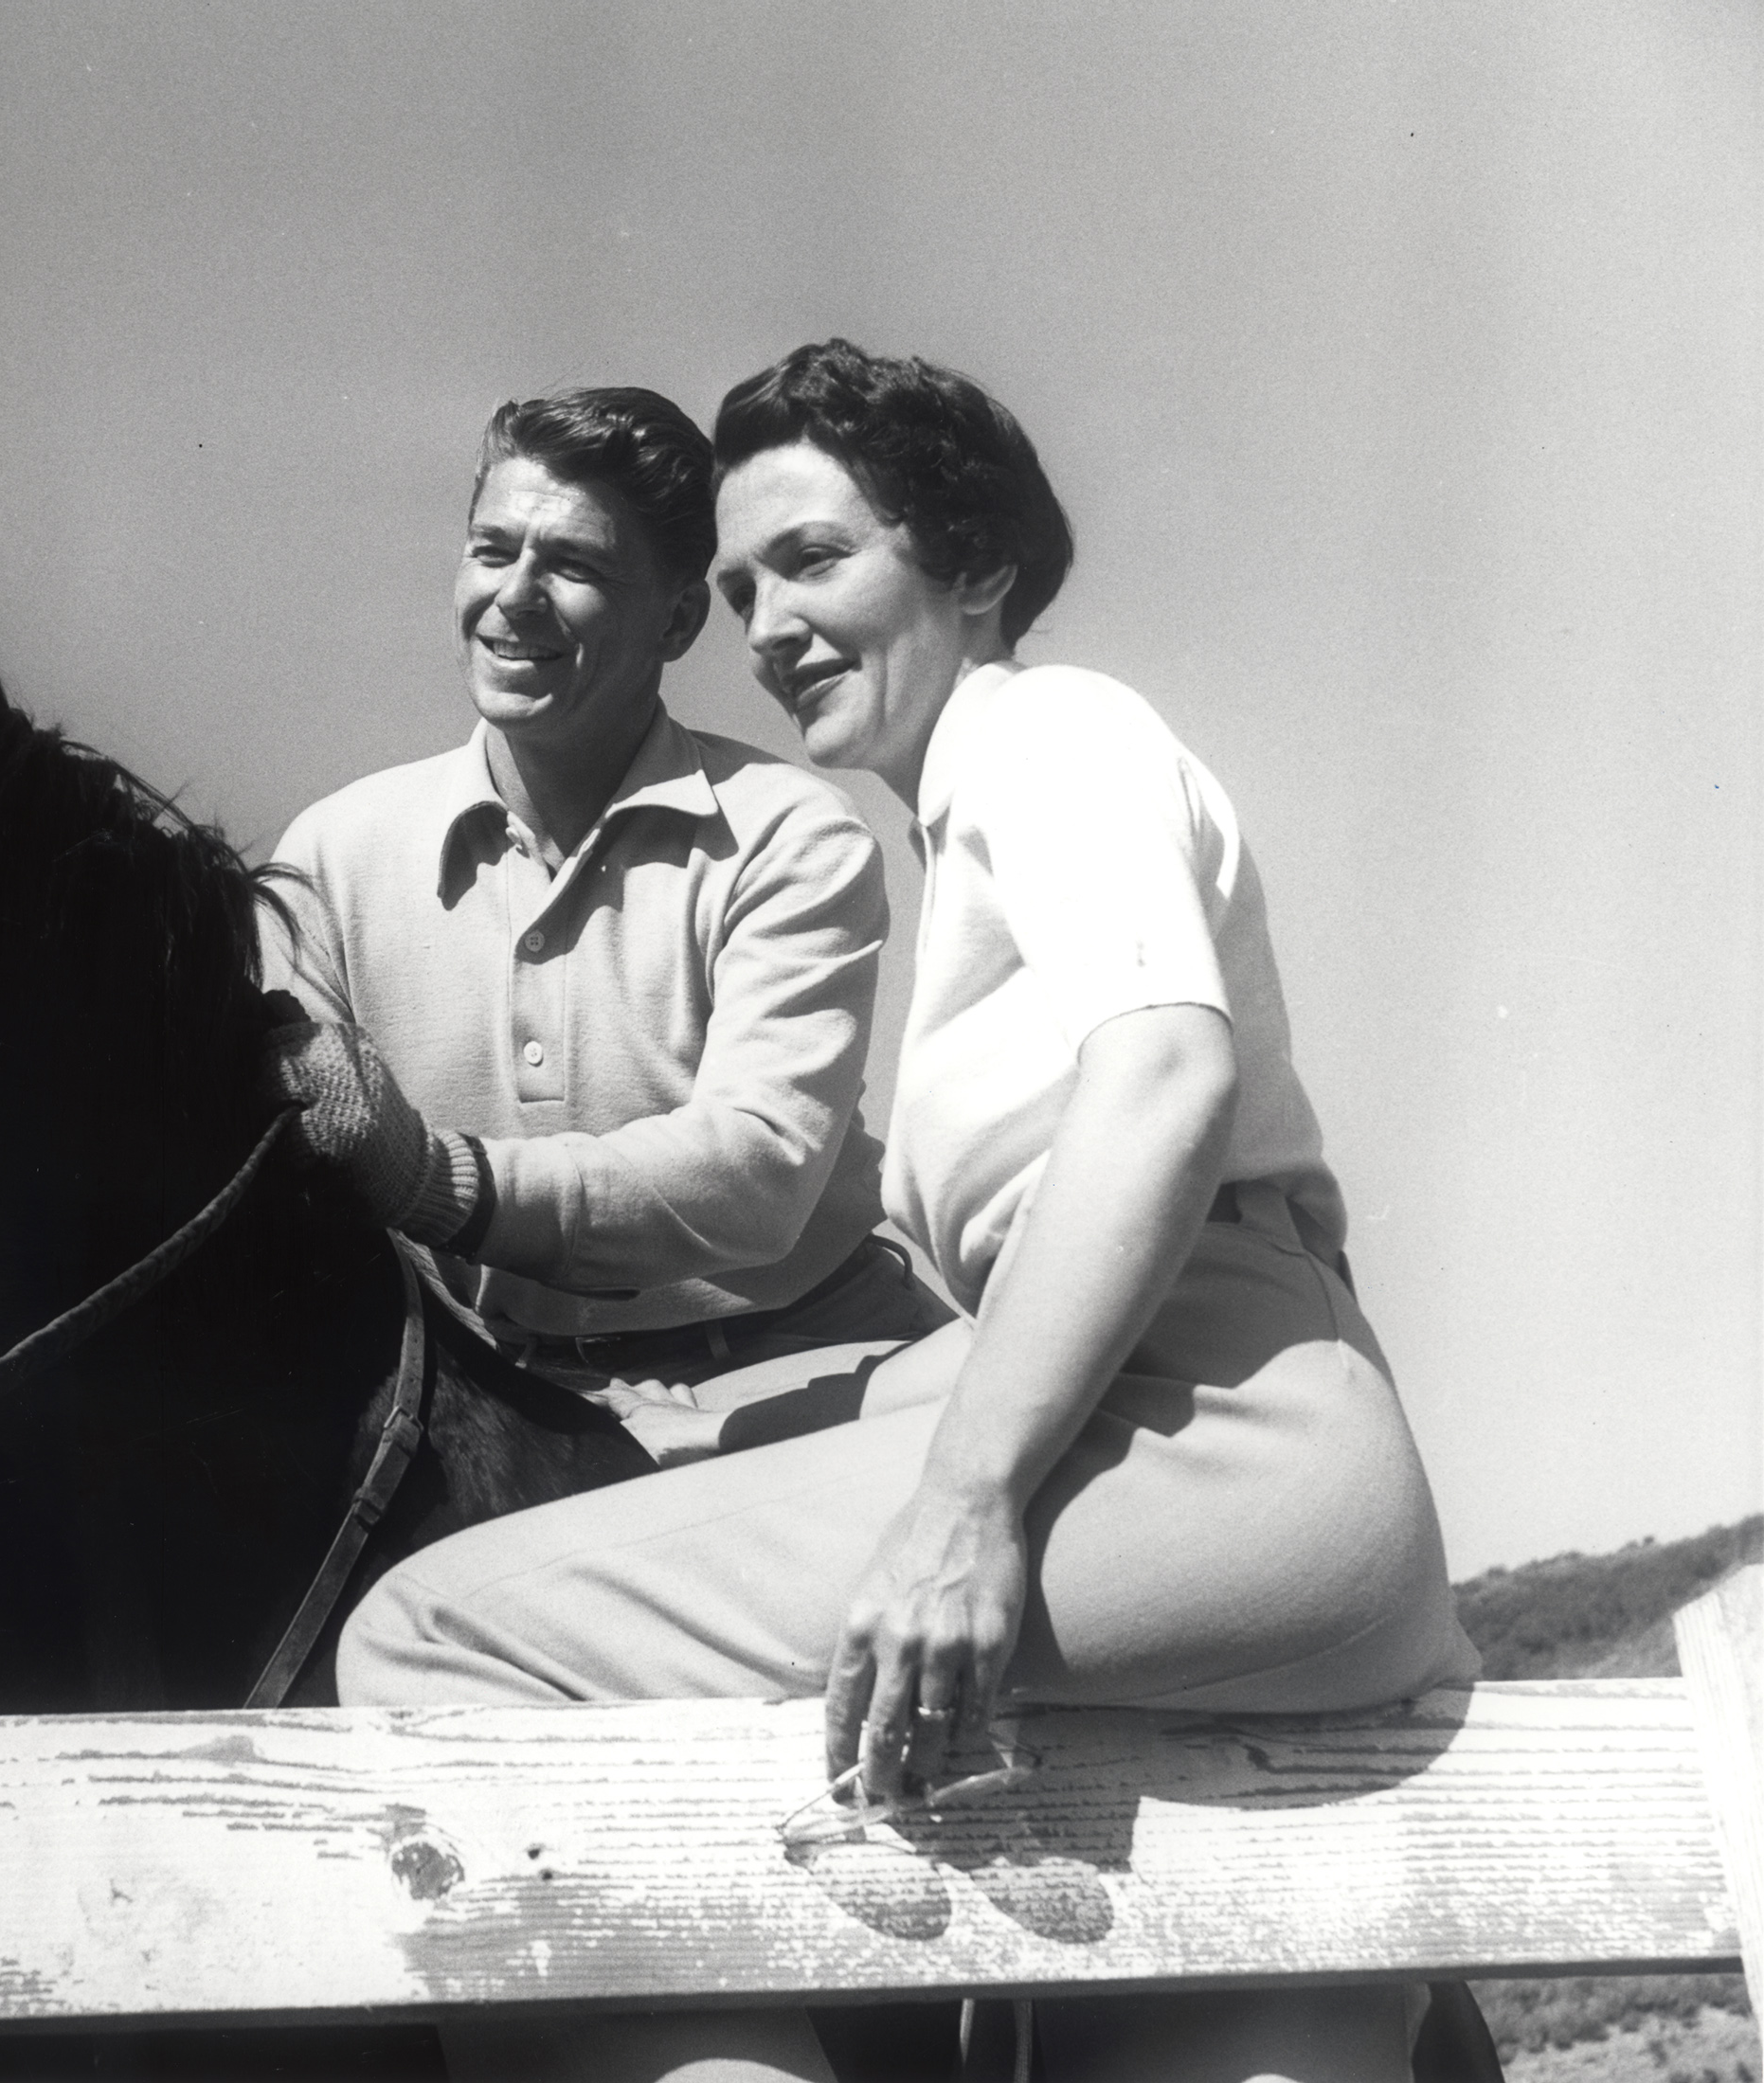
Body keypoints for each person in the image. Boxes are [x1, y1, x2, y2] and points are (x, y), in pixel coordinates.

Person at [333, 343, 1482, 2083]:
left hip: (1217, 1430)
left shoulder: (1050, 729)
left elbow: (1166, 1074)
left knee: (439, 1637)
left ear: (976, 565)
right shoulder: (973, 826)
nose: (770, 623)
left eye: (813, 559)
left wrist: (962, 1507)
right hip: (1251, 1468)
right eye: (736, 588)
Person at [260, 386, 948, 1399]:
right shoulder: (328, 854)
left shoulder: (794, 834)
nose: (516, 595)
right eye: (493, 551)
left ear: (675, 620)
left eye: (574, 564)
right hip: (485, 1403)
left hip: (808, 1369)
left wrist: (435, 1180)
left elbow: (755, 1178)